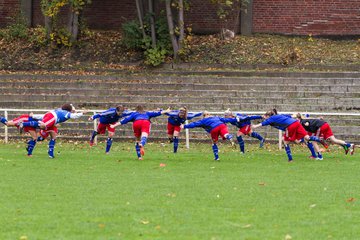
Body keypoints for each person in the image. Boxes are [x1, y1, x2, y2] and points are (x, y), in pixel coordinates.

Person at [251, 109, 324, 162]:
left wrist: (255, 126)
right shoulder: (279, 116)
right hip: (296, 123)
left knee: (285, 141)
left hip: (290, 126)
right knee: (306, 138)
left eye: (265, 116)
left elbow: (264, 123)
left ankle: (290, 159)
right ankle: (319, 142)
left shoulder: (272, 118)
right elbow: (290, 116)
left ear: (268, 116)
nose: (264, 117)